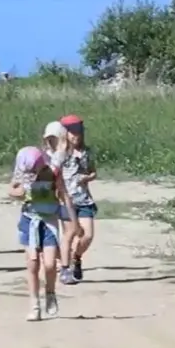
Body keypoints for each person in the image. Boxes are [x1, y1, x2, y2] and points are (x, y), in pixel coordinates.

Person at [9, 146, 78, 321]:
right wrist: (19, 193)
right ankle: (34, 305)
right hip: (29, 221)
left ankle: (50, 292)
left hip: (48, 222)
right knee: (32, 265)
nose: (32, 174)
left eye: (34, 170)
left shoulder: (52, 172)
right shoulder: (22, 172)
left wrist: (74, 222)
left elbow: (63, 195)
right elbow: (11, 189)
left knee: (49, 265)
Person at [58, 114, 98, 283]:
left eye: (78, 132)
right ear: (64, 133)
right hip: (65, 199)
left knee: (87, 235)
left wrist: (87, 178)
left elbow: (93, 172)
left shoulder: (86, 152)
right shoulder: (59, 153)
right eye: (72, 133)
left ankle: (77, 257)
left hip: (84, 199)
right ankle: (65, 269)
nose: (76, 136)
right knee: (70, 232)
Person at [41, 120, 74, 282]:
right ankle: (64, 265)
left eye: (56, 138)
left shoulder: (69, 155)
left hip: (66, 197)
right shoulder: (45, 157)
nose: (52, 142)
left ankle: (65, 262)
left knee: (71, 230)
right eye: (50, 139)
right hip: (49, 200)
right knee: (54, 234)